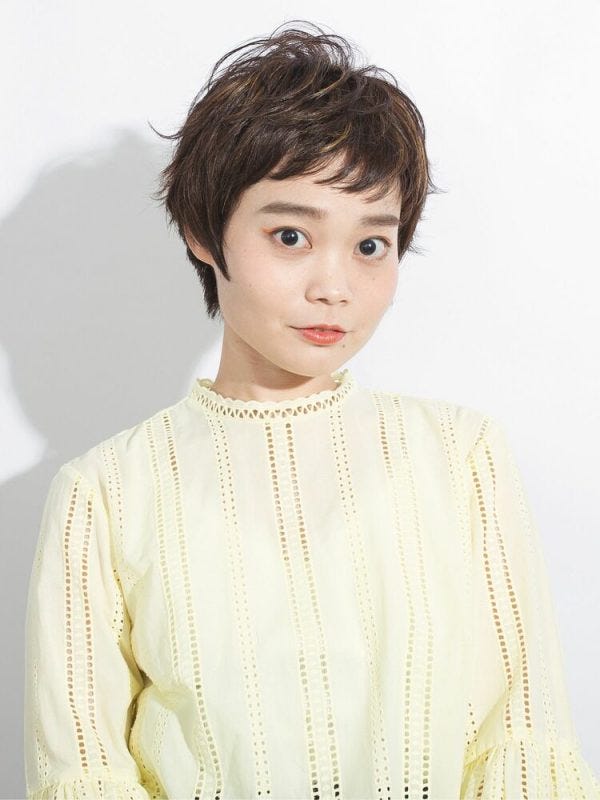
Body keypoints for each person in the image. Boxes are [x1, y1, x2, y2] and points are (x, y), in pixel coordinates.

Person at [23, 20, 600, 800]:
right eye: (291, 235)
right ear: (202, 232)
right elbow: (84, 773)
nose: (335, 287)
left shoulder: (462, 456)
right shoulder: (106, 493)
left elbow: (524, 737)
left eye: (371, 245)